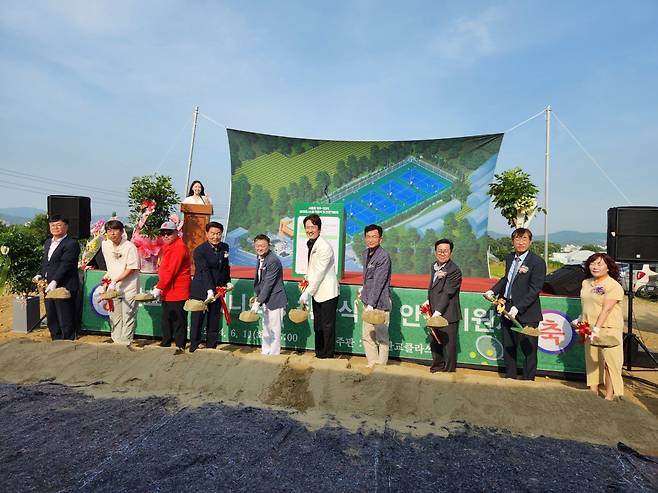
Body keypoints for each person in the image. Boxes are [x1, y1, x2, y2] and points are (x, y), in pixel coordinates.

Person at [487, 228, 546, 380]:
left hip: (527, 312)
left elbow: (535, 289)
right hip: (507, 308)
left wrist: (518, 307)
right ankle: (510, 377)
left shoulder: (537, 262)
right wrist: (492, 291)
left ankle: (528, 380)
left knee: (529, 349)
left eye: (524, 239)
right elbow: (506, 279)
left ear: (530, 241)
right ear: (512, 241)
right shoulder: (509, 257)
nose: (520, 242)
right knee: (509, 345)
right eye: (517, 239)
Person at [579, 253, 625, 400]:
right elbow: (586, 305)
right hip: (589, 327)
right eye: (592, 263)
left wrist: (597, 329)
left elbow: (606, 309)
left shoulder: (613, 286)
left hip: (608, 329)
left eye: (599, 264)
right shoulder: (586, 283)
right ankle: (593, 391)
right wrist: (581, 321)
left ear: (608, 267)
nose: (595, 267)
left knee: (610, 363)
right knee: (592, 361)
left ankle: (610, 395)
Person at [298, 214, 339, 359]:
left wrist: (307, 292)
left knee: (327, 326)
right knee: (318, 326)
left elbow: (320, 272)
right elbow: (313, 270)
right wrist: (306, 279)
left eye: (313, 227)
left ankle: (327, 355)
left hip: (328, 292)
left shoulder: (324, 247)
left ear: (319, 229)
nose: (310, 230)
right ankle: (319, 353)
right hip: (317, 292)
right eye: (307, 227)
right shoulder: (311, 243)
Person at [36, 215, 80, 341]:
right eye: (52, 225)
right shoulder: (48, 242)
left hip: (64, 285)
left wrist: (55, 281)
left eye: (58, 225)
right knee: (52, 316)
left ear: (66, 227)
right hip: (48, 285)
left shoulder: (71, 244)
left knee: (65, 316)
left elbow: (66, 264)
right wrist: (40, 273)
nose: (55, 228)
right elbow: (46, 261)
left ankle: (68, 342)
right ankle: (55, 340)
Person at [188, 221, 230, 352]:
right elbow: (204, 271)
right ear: (206, 234)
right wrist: (209, 291)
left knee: (214, 318)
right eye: (212, 233)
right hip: (201, 289)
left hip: (217, 290)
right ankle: (194, 347)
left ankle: (211, 347)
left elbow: (225, 267)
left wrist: (227, 281)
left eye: (218, 234)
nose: (215, 237)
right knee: (197, 320)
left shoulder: (225, 247)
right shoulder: (199, 251)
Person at [151, 221, 191, 353]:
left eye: (169, 233)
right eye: (163, 233)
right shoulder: (165, 247)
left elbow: (171, 271)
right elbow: (162, 267)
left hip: (178, 290)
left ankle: (180, 345)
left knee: (178, 320)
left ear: (176, 233)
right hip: (167, 290)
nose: (166, 236)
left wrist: (159, 287)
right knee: (166, 319)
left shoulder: (179, 247)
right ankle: (166, 342)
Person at [100, 220, 140, 346]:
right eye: (109, 231)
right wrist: (107, 281)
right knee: (114, 316)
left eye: (115, 230)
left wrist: (116, 280)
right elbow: (111, 266)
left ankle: (125, 342)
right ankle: (116, 341)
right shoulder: (105, 245)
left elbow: (132, 268)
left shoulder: (129, 247)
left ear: (122, 231)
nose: (112, 233)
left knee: (128, 316)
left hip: (129, 286)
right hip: (113, 287)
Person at [427, 238, 462, 373]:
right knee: (435, 342)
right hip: (434, 311)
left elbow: (448, 293)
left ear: (450, 253)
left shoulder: (454, 270)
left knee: (448, 345)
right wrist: (428, 302)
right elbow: (433, 288)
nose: (442, 253)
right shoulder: (433, 266)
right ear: (435, 252)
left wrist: (437, 313)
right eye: (439, 251)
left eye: (445, 251)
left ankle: (448, 372)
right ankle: (436, 368)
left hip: (448, 314)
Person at [360, 224, 392, 367]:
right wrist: (364, 292)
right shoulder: (365, 253)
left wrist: (371, 305)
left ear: (380, 239)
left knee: (382, 337)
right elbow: (369, 279)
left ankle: (381, 366)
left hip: (379, 304)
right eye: (368, 236)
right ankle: (372, 363)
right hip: (368, 301)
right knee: (367, 336)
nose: (371, 239)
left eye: (374, 236)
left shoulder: (383, 257)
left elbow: (379, 282)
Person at [250, 234, 287, 355]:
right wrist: (258, 298)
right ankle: (265, 352)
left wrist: (258, 302)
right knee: (266, 328)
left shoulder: (273, 261)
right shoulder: (259, 257)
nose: (260, 248)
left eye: (263, 246)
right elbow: (260, 281)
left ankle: (274, 354)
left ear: (269, 246)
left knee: (275, 329)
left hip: (275, 298)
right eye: (257, 246)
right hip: (265, 299)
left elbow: (268, 284)